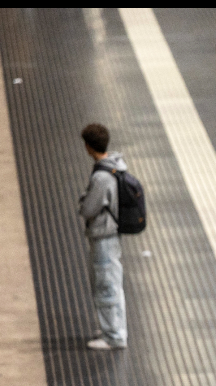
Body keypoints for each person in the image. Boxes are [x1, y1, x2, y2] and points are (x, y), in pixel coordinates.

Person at [78, 123, 128, 350]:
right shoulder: (116, 166)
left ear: (88, 146)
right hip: (113, 233)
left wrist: (82, 201)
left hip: (103, 235)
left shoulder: (101, 177)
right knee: (113, 283)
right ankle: (114, 327)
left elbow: (88, 209)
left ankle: (114, 336)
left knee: (105, 284)